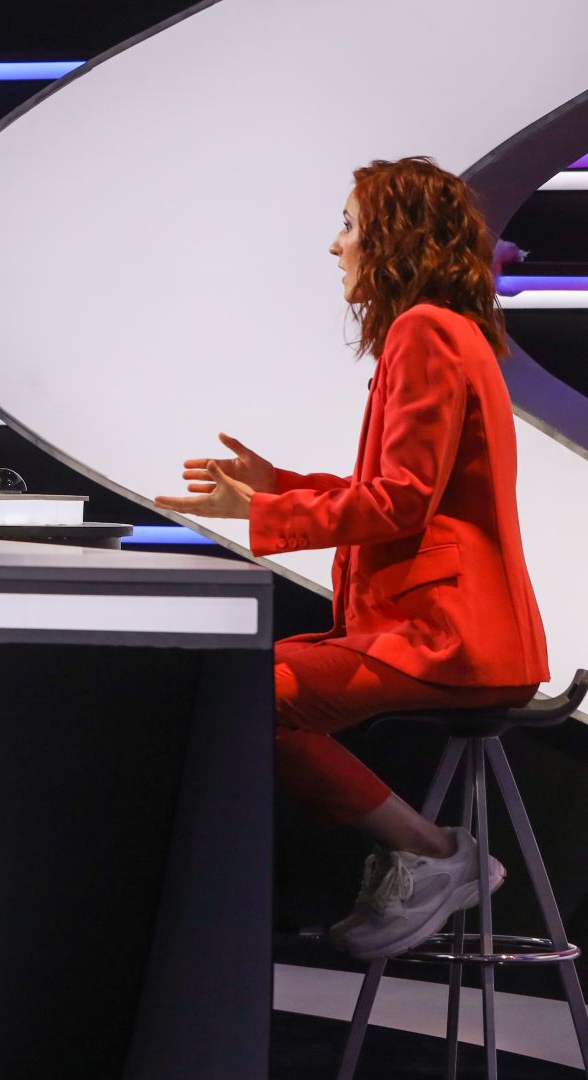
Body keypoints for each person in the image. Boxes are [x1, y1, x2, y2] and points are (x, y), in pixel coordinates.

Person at [157, 157, 547, 961]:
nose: (336, 246)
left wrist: (260, 512)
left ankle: (432, 853)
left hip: (450, 640)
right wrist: (280, 484)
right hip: (449, 636)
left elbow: (400, 502)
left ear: (394, 238)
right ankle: (425, 855)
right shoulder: (448, 330)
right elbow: (400, 490)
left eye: (349, 227)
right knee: (242, 681)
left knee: (250, 697)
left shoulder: (424, 331)